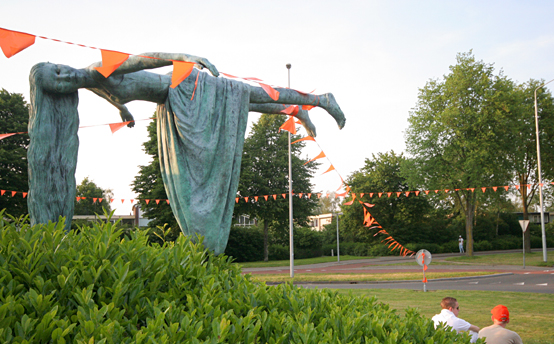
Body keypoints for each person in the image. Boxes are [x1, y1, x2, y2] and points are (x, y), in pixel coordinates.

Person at [28, 53, 345, 253]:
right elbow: (116, 96)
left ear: (61, 66)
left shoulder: (98, 69)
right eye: (58, 82)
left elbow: (143, 60)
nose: (64, 77)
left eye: (59, 71)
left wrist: (184, 58)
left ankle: (317, 100)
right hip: (173, 97)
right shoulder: (94, 85)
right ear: (56, 91)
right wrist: (124, 113)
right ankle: (297, 108)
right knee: (244, 102)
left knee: (247, 95)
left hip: (182, 85)